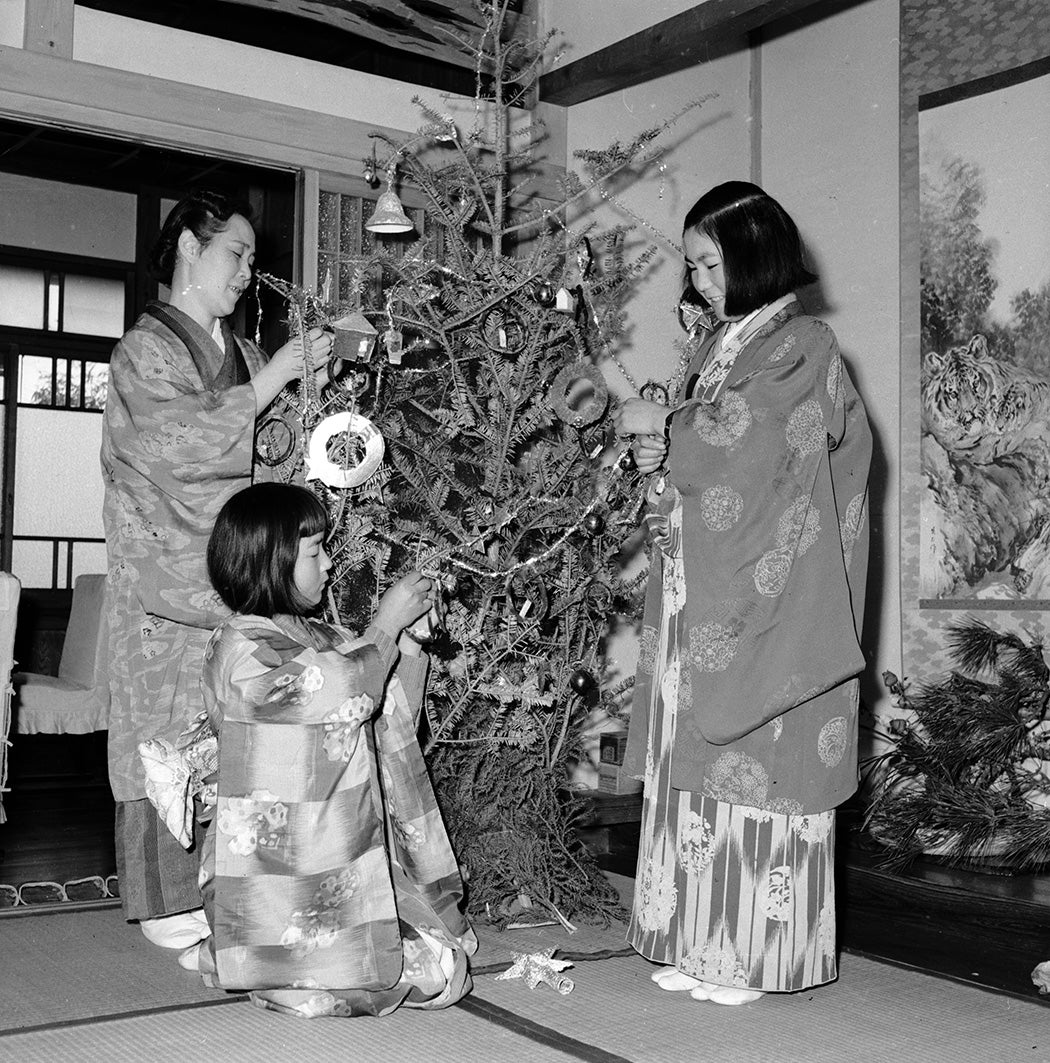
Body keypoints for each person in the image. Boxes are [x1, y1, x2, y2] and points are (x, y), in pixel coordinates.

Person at [613, 181, 871, 1006]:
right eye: (691, 267)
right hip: (710, 582)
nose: (699, 284)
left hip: (776, 596)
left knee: (760, 760)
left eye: (711, 263)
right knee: (697, 756)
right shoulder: (726, 342)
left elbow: (750, 441)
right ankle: (699, 938)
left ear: (754, 256)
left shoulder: (802, 344)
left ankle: (751, 954)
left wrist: (666, 434)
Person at [99, 190, 333, 954]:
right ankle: (165, 900)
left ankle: (228, 885)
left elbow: (271, 450)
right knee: (165, 734)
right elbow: (175, 445)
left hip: (234, 575)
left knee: (233, 727)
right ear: (190, 252)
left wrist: (318, 400)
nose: (246, 274)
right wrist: (267, 388)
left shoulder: (245, 355)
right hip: (165, 579)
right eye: (237, 255)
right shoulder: (143, 353)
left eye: (253, 260)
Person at [184, 482, 475, 1017]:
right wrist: (385, 624)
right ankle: (257, 958)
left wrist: (408, 642)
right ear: (272, 562)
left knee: (445, 963)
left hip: (342, 857)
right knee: (429, 976)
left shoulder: (324, 635)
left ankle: (263, 963)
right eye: (315, 552)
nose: (329, 564)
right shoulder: (238, 646)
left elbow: (386, 711)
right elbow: (339, 688)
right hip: (273, 870)